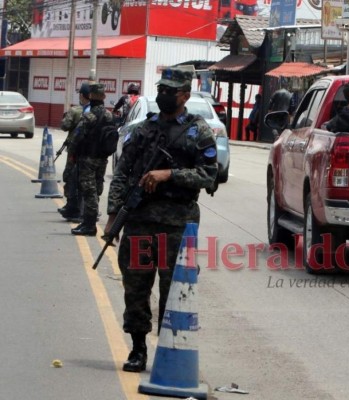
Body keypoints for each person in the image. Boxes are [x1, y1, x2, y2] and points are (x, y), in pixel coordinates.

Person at [104, 66, 218, 373]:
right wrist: (113, 215)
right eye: (161, 90)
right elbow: (122, 173)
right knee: (136, 288)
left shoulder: (198, 132)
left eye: (170, 91)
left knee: (175, 292)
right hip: (139, 221)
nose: (163, 96)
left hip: (177, 225)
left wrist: (169, 174)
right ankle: (138, 348)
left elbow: (209, 175)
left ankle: (170, 353)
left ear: (185, 95)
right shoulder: (143, 130)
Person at [69, 83, 115, 236]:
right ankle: (88, 222)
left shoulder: (89, 116)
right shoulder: (109, 115)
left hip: (88, 158)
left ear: (90, 96)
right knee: (96, 189)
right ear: (104, 97)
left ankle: (89, 225)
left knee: (89, 192)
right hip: (102, 159)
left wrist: (72, 154)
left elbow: (76, 137)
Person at [58, 83, 91, 220]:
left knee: (71, 177)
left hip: (75, 150)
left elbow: (65, 126)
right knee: (89, 182)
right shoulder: (98, 111)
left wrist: (66, 116)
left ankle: (73, 207)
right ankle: (87, 209)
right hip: (92, 153)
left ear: (82, 95)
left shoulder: (75, 110)